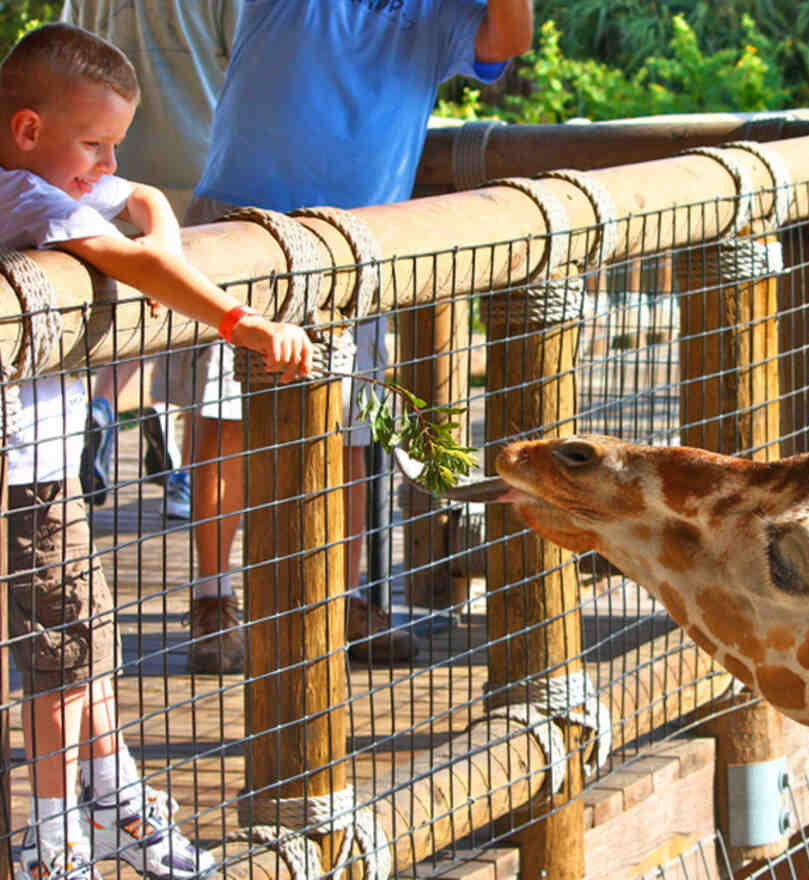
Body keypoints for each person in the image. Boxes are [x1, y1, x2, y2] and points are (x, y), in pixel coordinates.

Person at [0, 22, 313, 880]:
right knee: (63, 655)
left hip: (48, 459)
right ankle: (57, 833)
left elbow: (142, 207)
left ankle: (113, 805)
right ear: (28, 130)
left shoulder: (52, 176)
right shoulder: (26, 197)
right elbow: (128, 260)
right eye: (94, 144)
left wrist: (162, 234)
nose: (105, 164)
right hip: (24, 466)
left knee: (82, 639)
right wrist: (239, 321)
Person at [173, 0, 534, 673]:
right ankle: (212, 600)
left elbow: (511, 37)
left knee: (350, 437)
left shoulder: (438, 16)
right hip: (240, 229)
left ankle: (342, 600)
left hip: (356, 247)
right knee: (225, 422)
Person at [62, 0, 240, 522]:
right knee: (186, 319)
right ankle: (179, 470)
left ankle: (103, 406)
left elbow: (69, 57)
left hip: (104, 161)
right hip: (200, 155)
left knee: (129, 303)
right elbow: (242, 58)